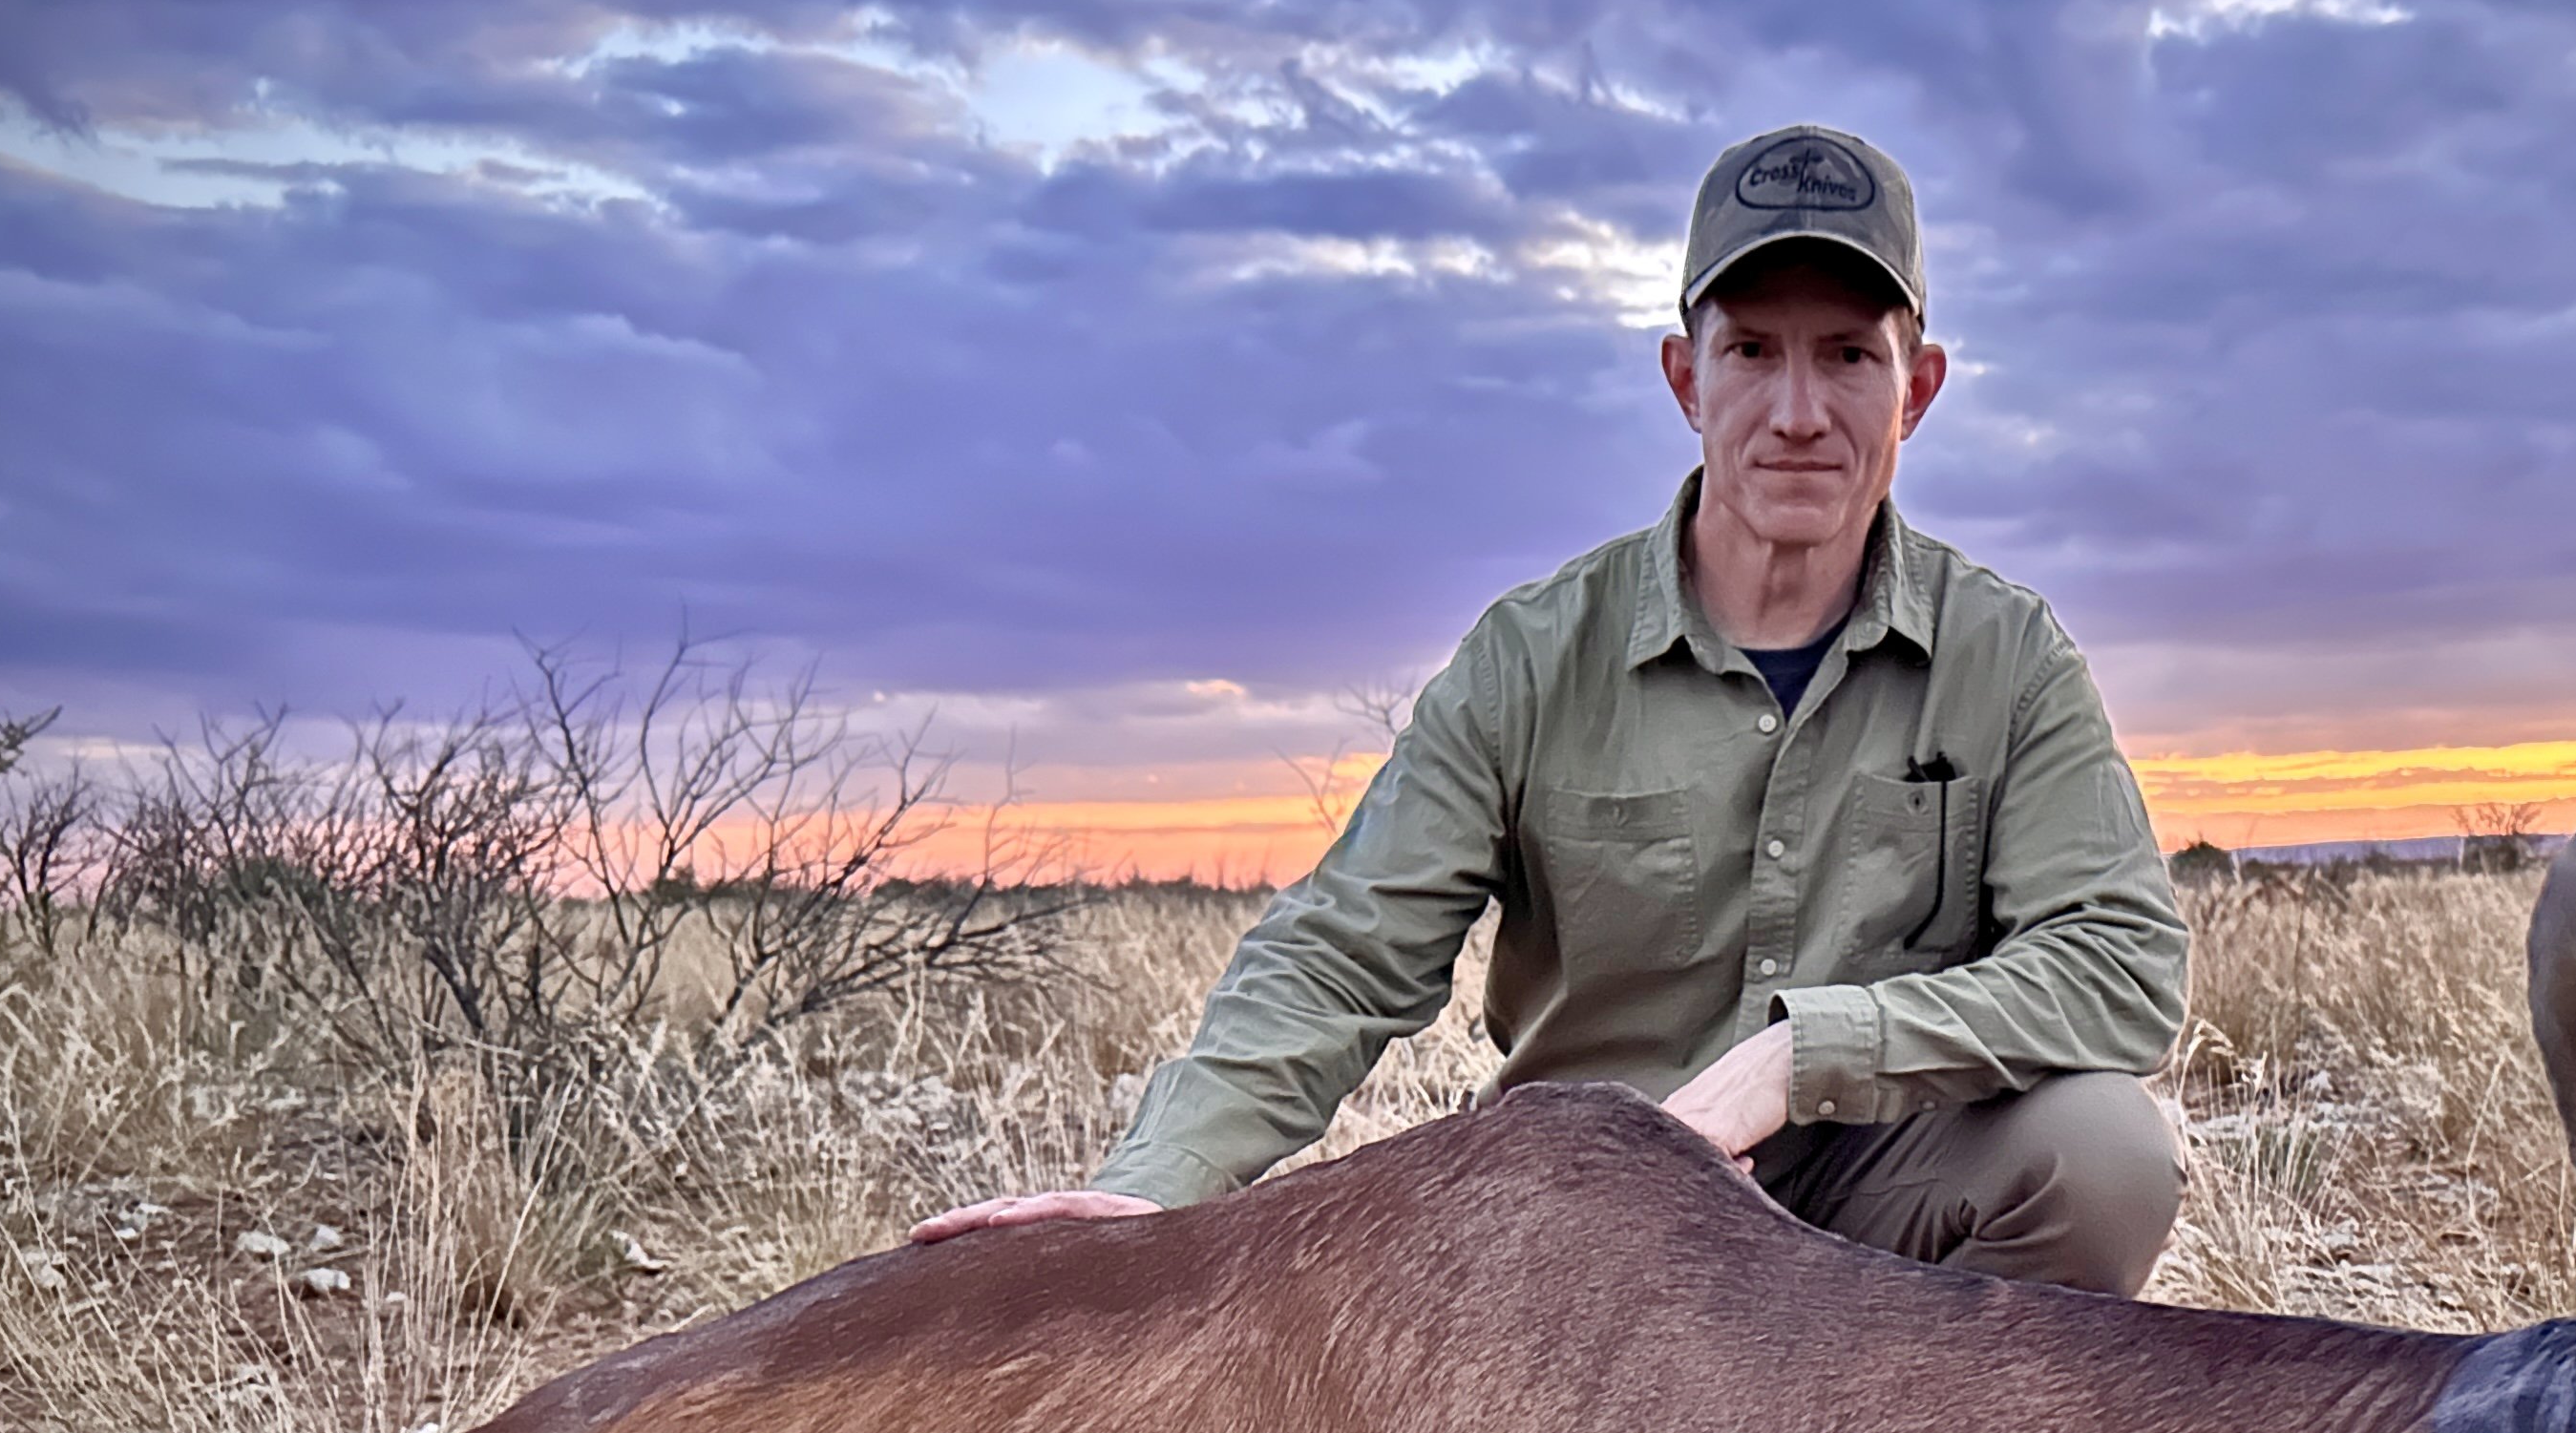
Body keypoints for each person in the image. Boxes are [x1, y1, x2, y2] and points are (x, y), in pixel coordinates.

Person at [918, 122, 2189, 1292]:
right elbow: (1346, 949)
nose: (1799, 413)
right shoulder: (1533, 655)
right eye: (1754, 351)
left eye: (1849, 355)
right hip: (1583, 1215)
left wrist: (1802, 1061)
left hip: (1882, 1184)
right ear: (1687, 379)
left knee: (2104, 1153)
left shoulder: (2006, 655)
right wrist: (1155, 1190)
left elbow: (2123, 964)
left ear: (1917, 389)